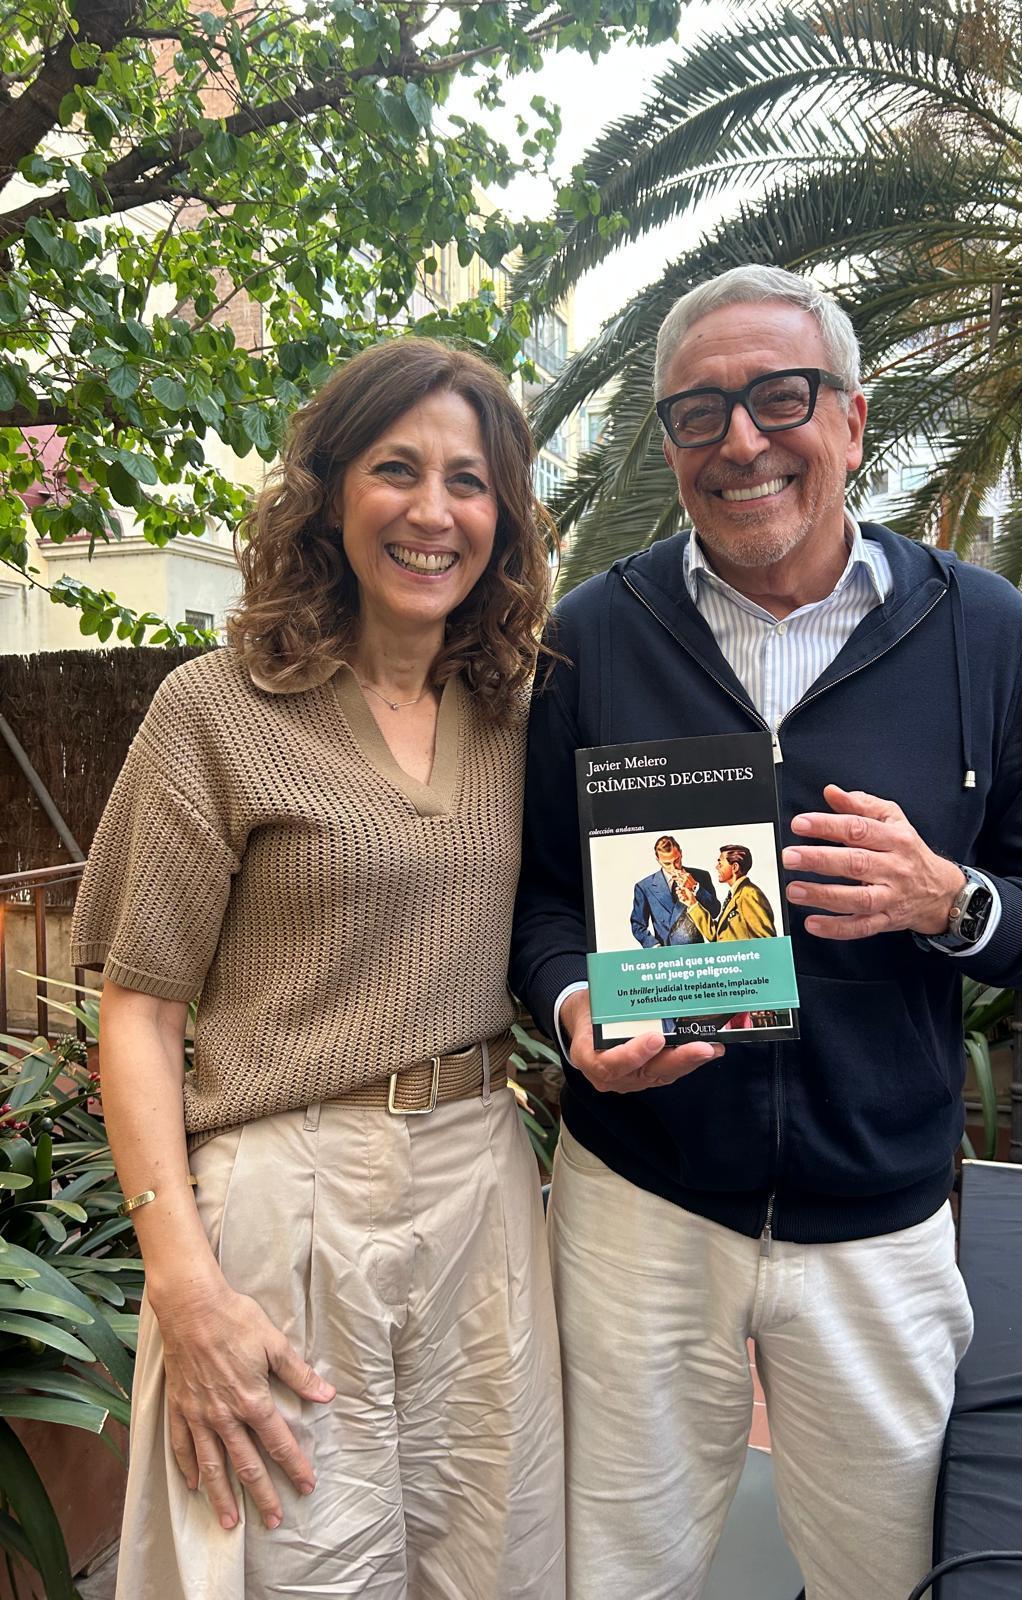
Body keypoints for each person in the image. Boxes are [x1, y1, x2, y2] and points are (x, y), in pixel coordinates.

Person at [509, 265, 1022, 1600]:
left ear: (852, 420)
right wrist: (572, 1013)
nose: (741, 441)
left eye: (780, 397)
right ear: (666, 444)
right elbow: (542, 899)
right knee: (612, 1574)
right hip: (641, 1204)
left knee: (885, 1578)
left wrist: (948, 901)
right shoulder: (597, 636)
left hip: (876, 1230)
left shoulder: (985, 633)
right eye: (697, 411)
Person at [71, 337, 565, 1600]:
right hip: (282, 1200)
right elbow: (135, 1011)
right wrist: (181, 1286)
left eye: (468, 479)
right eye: (396, 468)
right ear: (330, 491)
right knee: (286, 1563)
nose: (432, 510)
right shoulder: (216, 710)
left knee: (489, 1563)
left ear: (501, 517)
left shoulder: (517, 716)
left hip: (480, 1191)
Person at [629, 833, 719, 947]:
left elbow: (715, 912)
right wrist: (654, 946)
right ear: (658, 860)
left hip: (696, 951)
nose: (674, 868)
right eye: (667, 864)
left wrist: (695, 887)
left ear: (681, 853)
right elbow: (637, 925)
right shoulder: (645, 887)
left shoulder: (701, 876)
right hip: (665, 952)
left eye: (676, 861)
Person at [680, 844, 776, 940]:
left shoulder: (749, 894)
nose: (717, 867)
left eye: (720, 863)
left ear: (735, 867)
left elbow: (767, 940)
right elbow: (716, 935)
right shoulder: (736, 895)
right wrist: (692, 903)